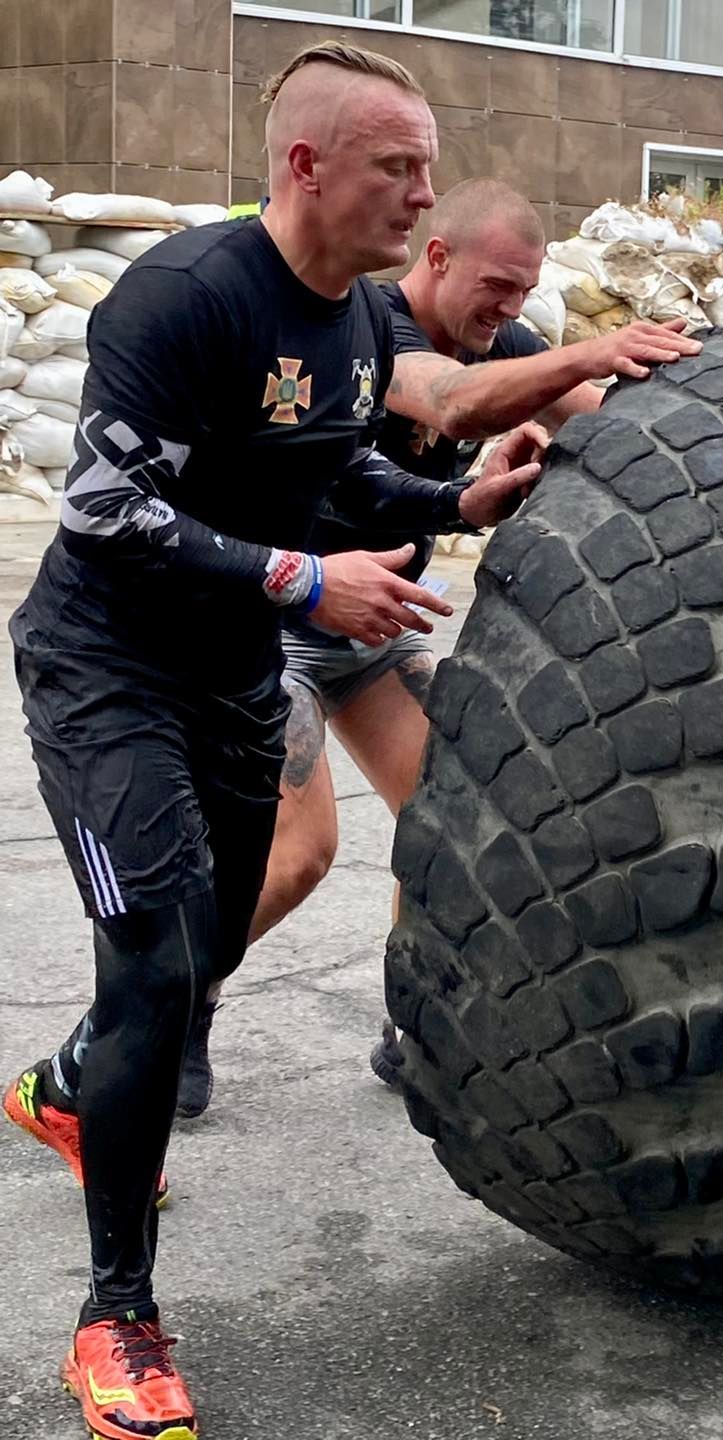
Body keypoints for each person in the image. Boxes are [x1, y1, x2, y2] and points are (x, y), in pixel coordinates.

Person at [1, 42, 543, 1440]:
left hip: (230, 679)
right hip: (104, 669)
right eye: (398, 167)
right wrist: (307, 582)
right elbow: (105, 510)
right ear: (306, 165)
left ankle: (71, 1087)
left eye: (429, 167)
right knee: (153, 959)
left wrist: (458, 499)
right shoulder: (180, 295)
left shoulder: (359, 325)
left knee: (210, 940)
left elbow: (334, 471)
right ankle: (117, 1317)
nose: (423, 197)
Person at [174, 179, 702, 1117]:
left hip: (377, 628)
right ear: (440, 258)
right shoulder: (374, 323)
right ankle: (174, 1004)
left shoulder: (507, 339)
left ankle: (412, 1022)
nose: (506, 312)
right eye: (495, 287)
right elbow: (451, 404)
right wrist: (587, 353)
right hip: (278, 617)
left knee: (457, 824)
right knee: (297, 853)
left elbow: (608, 412)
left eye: (524, 292)